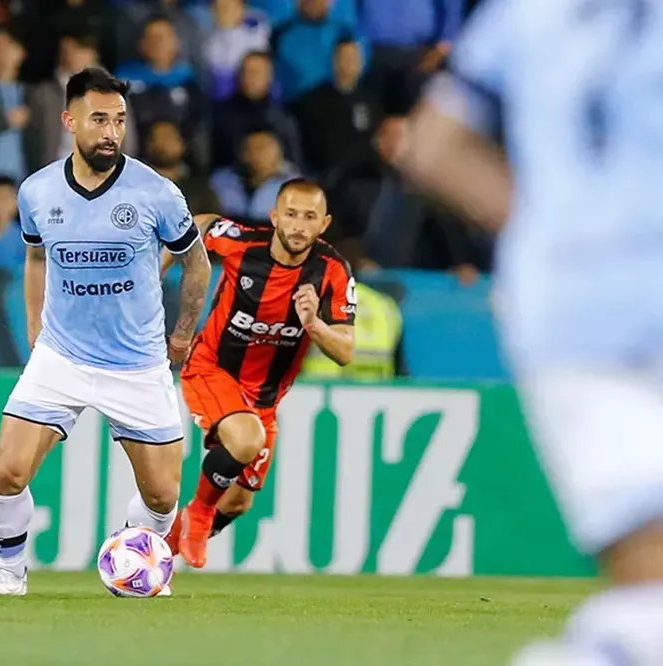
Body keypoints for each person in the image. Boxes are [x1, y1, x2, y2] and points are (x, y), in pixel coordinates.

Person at [395, 1, 663, 664]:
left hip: (570, 310)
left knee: (649, 584)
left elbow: (431, 146)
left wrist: (549, 238)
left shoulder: (528, 12)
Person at [0, 67, 211, 597]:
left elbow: (197, 263)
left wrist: (183, 333)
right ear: (70, 121)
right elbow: (36, 257)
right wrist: (34, 324)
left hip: (137, 363)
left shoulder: (156, 192)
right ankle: (8, 572)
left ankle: (134, 555)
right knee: (9, 471)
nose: (111, 132)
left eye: (119, 120)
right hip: (62, 356)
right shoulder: (37, 191)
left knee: (163, 496)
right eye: (99, 120)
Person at [159, 178, 356, 568]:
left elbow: (345, 351)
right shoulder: (242, 244)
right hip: (213, 368)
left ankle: (159, 551)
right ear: (274, 216)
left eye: (310, 217)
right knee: (247, 439)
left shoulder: (332, 270)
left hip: (264, 396)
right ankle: (198, 514)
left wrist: (314, 324)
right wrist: (155, 270)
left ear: (324, 224)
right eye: (291, 214)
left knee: (239, 501)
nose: (299, 226)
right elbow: (200, 223)